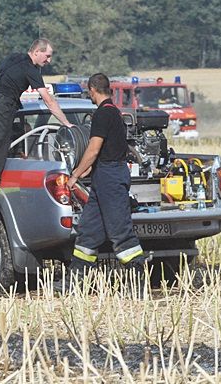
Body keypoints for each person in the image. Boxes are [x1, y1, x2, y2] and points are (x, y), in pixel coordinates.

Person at [0, 39, 73, 215]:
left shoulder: (13, 58)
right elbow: (48, 100)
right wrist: (66, 123)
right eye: (47, 56)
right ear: (37, 51)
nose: (49, 61)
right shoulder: (31, 69)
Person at [58, 73, 147, 285]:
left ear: (92, 90)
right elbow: (110, 148)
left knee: (120, 232)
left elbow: (93, 148)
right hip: (105, 174)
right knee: (88, 231)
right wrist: (92, 169)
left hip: (110, 177)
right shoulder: (114, 113)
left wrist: (76, 174)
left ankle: (138, 279)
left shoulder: (102, 114)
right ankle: (76, 280)